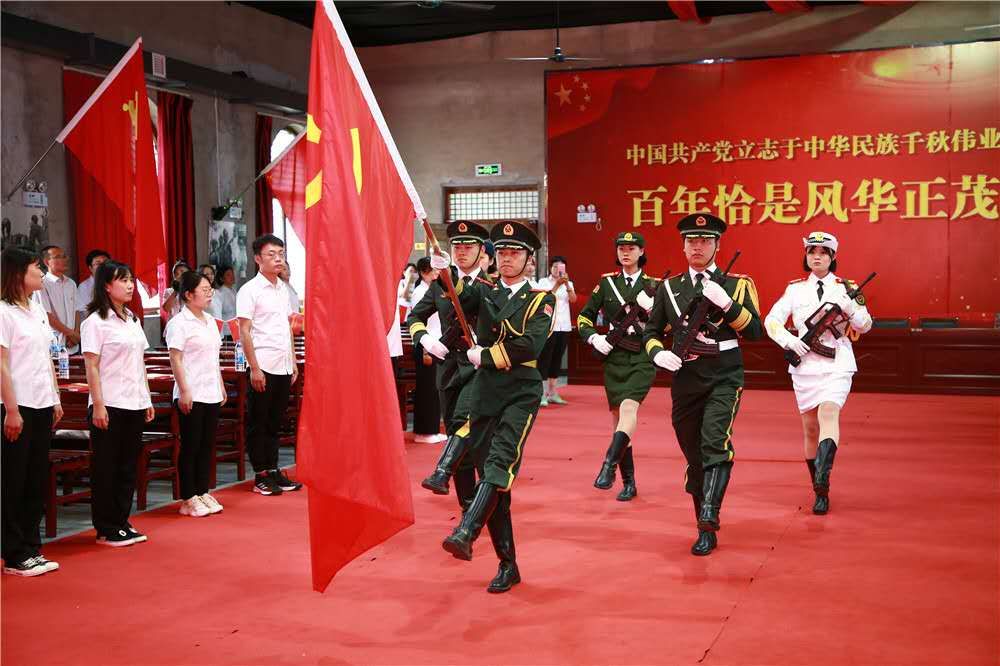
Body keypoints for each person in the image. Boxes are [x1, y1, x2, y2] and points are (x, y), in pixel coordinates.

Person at [433, 221, 554, 593]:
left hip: (520, 390)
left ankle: (467, 529)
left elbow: (529, 346)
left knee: (501, 462)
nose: (506, 258)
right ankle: (507, 564)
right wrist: (445, 273)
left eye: (515, 252)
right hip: (486, 390)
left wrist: (485, 355)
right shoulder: (484, 291)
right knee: (492, 475)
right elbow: (456, 300)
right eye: (501, 252)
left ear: (529, 259)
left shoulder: (541, 299)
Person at [643, 214, 763, 556]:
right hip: (686, 379)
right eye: (691, 241)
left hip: (725, 374)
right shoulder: (669, 287)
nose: (698, 246)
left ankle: (708, 519)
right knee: (694, 453)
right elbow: (652, 331)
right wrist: (657, 353)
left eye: (705, 241)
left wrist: (727, 304)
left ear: (717, 245)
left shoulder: (737, 285)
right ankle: (702, 514)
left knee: (715, 441)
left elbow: (755, 332)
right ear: (683, 246)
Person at [764, 231, 873, 515]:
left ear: (832, 257)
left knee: (829, 412)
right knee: (810, 429)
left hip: (837, 362)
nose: (817, 256)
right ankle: (817, 487)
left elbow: (865, 325)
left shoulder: (846, 288)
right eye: (812, 251)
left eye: (823, 252)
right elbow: (772, 320)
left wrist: (850, 309)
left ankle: (823, 484)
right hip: (805, 365)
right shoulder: (795, 290)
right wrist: (789, 341)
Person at [408, 220, 491, 495]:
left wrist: (448, 277)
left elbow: (468, 298)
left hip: (479, 369)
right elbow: (415, 316)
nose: (462, 252)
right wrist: (426, 340)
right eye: (457, 246)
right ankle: (467, 503)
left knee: (467, 424)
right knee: (457, 431)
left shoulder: (491, 285)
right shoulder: (438, 285)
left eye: (468, 247)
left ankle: (449, 475)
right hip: (448, 368)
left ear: (481, 251)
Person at [577, 232, 661, 502]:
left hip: (642, 355)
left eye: (631, 248)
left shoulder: (654, 285)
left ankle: (608, 465)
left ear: (641, 252)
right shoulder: (607, 284)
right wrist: (594, 338)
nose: (625, 252)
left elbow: (670, 324)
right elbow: (584, 317)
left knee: (628, 409)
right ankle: (629, 483)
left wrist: (652, 314)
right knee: (619, 421)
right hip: (614, 356)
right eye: (621, 248)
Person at [81, 261, 155, 546]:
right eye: (122, 280)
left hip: (134, 401)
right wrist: (98, 405)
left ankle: (122, 521)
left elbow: (140, 363)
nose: (129, 285)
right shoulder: (95, 322)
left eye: (131, 280)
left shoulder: (133, 319)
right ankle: (106, 526)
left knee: (127, 466)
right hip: (109, 402)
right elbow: (92, 366)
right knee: (106, 467)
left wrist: (146, 398)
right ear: (106, 286)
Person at [1, 247, 63, 576]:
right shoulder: (4, 312)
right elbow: (1, 364)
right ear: (17, 274)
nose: (41, 271)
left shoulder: (36, 307)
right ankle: (14, 552)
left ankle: (31, 545)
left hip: (41, 403)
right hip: (17, 404)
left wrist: (55, 397)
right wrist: (11, 410)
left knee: (35, 479)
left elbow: (46, 356)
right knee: (14, 479)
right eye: (35, 267)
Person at [236, 234, 300, 496]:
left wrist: (293, 360)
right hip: (262, 363)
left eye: (281, 254)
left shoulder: (282, 289)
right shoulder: (249, 290)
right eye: (271, 254)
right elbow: (244, 331)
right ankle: (260, 474)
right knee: (258, 421)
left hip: (282, 363)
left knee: (275, 420)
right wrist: (254, 368)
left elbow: (287, 327)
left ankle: (273, 469)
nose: (278, 259)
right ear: (257, 259)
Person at [165, 271, 227, 518]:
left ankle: (202, 491)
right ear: (189, 295)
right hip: (191, 391)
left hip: (211, 390)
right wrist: (184, 390)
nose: (210, 293)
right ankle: (188, 497)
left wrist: (220, 385)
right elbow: (175, 359)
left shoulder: (210, 321)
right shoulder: (179, 323)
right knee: (191, 445)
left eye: (210, 289)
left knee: (206, 445)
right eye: (204, 289)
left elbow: (214, 359)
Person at [407, 257, 445, 443]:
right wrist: (425, 349)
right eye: (433, 270)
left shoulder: (433, 290)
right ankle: (425, 431)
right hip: (425, 345)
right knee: (427, 389)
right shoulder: (420, 292)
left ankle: (430, 429)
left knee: (433, 388)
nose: (437, 274)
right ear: (423, 272)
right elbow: (420, 321)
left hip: (435, 344)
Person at [536, 255, 577, 406]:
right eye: (555, 267)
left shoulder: (569, 283)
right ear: (550, 268)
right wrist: (557, 285)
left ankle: (553, 392)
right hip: (548, 326)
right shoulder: (543, 282)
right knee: (545, 358)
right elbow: (544, 299)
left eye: (560, 267)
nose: (557, 270)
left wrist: (566, 285)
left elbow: (573, 299)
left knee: (557, 358)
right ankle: (541, 393)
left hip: (564, 325)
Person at [37, 245, 80, 354]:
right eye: (58, 257)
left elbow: (76, 311)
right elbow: (47, 315)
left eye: (64, 256)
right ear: (47, 262)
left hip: (73, 345)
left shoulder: (71, 283)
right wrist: (70, 334)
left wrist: (76, 334)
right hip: (55, 345)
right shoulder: (42, 284)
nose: (64, 260)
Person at [76, 249, 110, 321]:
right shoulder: (84, 287)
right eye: (98, 263)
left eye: (106, 262)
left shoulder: (114, 283)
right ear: (90, 268)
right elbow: (84, 312)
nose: (103, 266)